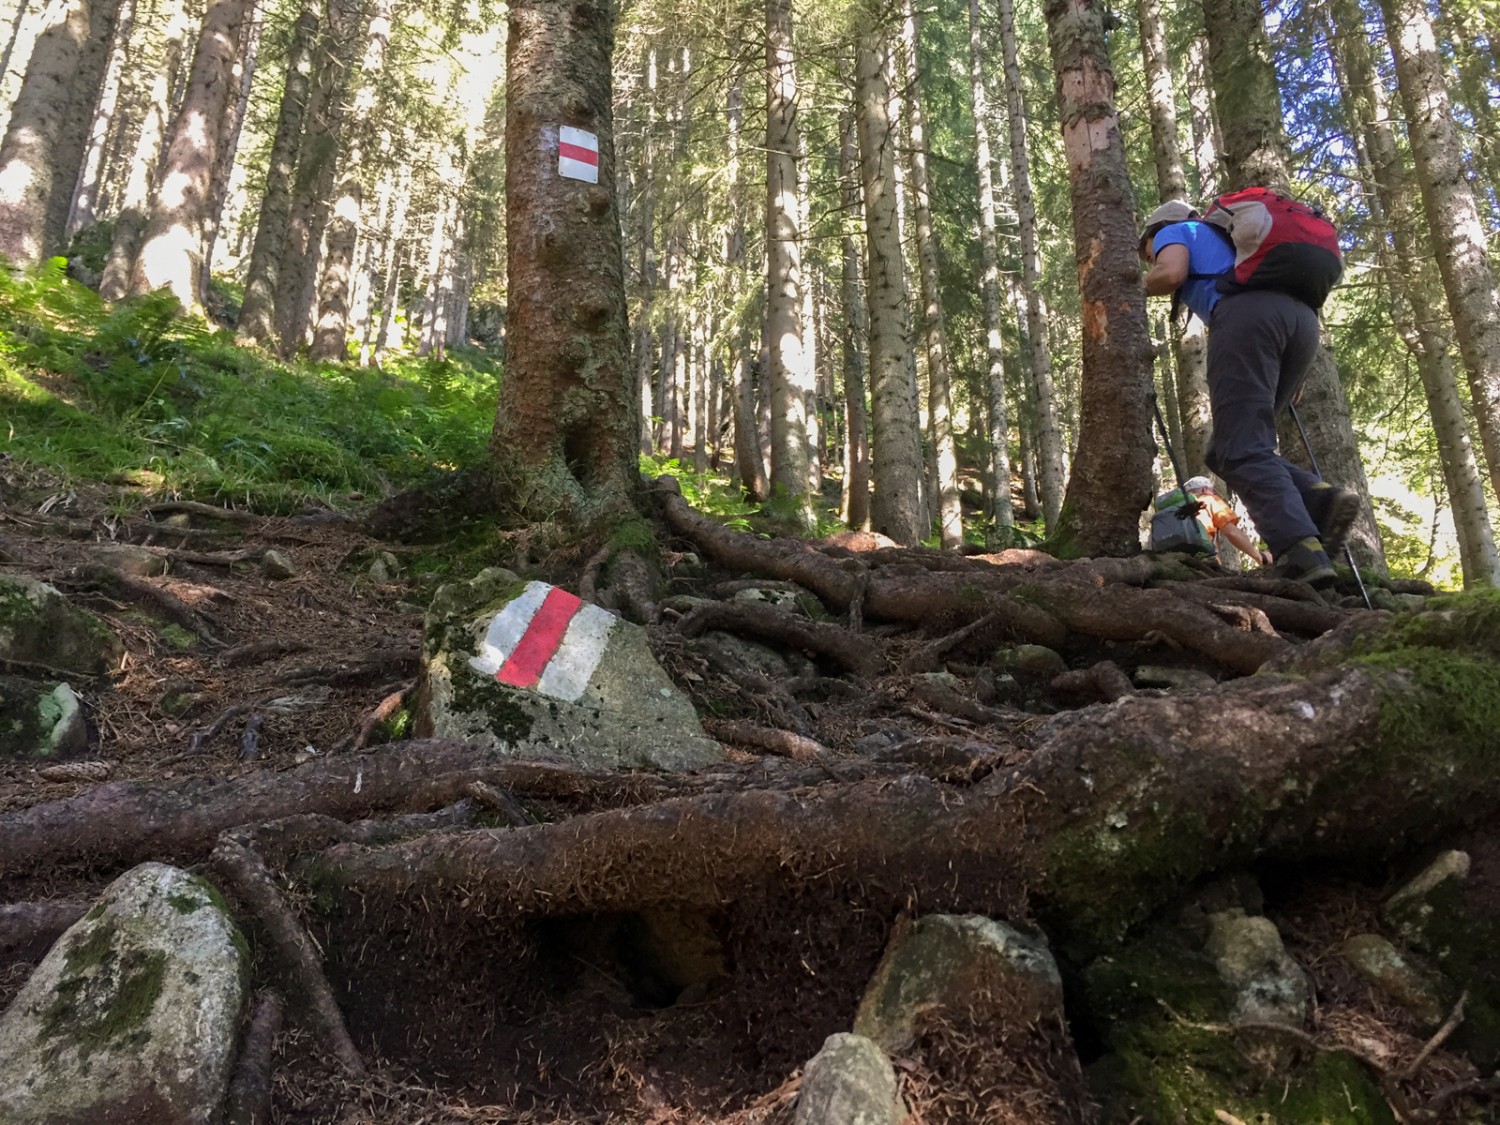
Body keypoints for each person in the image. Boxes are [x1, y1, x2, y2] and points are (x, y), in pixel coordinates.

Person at [1139, 199, 1360, 586]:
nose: (1148, 258)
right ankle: (1319, 500)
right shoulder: (1234, 245)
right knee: (1226, 450)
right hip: (1300, 325)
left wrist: (1129, 287)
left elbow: (1171, 273)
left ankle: (1299, 551)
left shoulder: (1177, 231)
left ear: (1156, 231)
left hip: (1246, 319)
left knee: (1242, 450)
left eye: (1145, 252)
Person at [1168, 475, 1271, 565]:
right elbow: (1231, 532)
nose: (1213, 493)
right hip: (1201, 558)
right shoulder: (1208, 500)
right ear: (1205, 489)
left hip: (1171, 559)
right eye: (1212, 490)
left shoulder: (1175, 509)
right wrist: (1259, 556)